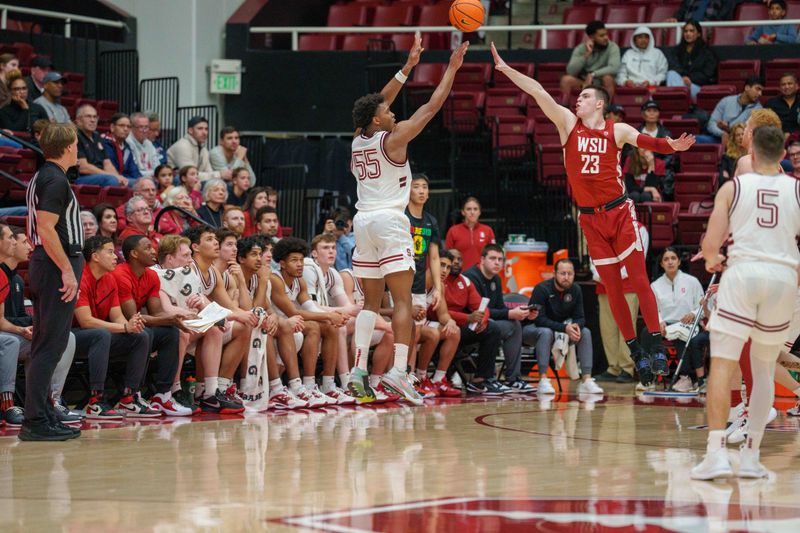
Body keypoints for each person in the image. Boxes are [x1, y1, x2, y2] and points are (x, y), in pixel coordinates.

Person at [492, 43, 696, 386]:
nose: (578, 100)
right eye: (578, 97)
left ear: (599, 103)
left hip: (619, 212)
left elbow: (647, 143)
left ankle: (656, 344)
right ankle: (635, 351)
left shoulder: (615, 130)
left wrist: (670, 146)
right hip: (590, 219)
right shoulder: (567, 124)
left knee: (639, 280)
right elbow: (539, 92)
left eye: (585, 97)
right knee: (613, 289)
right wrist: (506, 69)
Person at [347, 34, 468, 404]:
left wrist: (408, 67)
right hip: (389, 221)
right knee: (402, 301)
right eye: (387, 113)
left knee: (369, 303)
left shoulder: (358, 138)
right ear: (377, 120)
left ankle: (357, 370)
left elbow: (378, 102)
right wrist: (451, 69)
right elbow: (431, 107)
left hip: (363, 222)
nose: (393, 112)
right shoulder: (393, 139)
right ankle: (399, 371)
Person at [691, 125, 800, 480]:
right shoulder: (796, 189)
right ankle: (752, 457)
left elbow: (711, 245)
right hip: (783, 279)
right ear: (783, 155)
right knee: (765, 367)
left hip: (744, 274)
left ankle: (716, 453)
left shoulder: (733, 187)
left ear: (750, 153)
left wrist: (712, 260)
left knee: (722, 364)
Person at [22, 122, 84, 441]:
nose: (78, 147)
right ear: (68, 146)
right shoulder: (55, 179)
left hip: (47, 264)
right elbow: (47, 229)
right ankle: (36, 419)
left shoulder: (43, 176)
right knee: (51, 343)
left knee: (47, 342)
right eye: (75, 142)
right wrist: (67, 270)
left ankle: (42, 413)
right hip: (54, 264)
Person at [73, 236, 171, 419]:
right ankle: (95, 401)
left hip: (100, 336)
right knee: (100, 334)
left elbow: (117, 316)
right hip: (73, 337)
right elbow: (86, 321)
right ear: (95, 256)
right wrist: (124, 327)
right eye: (110, 252)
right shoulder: (81, 278)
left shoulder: (109, 279)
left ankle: (129, 397)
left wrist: (131, 326)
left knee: (142, 335)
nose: (115, 256)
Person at [1, 226, 76, 426]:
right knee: (10, 342)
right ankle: (6, 405)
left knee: (64, 338)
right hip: (7, 335)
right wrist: (23, 328)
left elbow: (14, 316)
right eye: (16, 239)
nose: (26, 245)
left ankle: (50, 400)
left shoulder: (16, 279)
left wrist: (32, 326)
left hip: (11, 331)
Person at [182, 225, 258, 412]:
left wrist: (245, 315)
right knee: (213, 325)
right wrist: (240, 314)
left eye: (216, 239)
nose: (215, 243)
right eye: (209, 239)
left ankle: (217, 389)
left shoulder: (214, 272)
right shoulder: (188, 269)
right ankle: (192, 391)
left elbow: (228, 307)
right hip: (181, 325)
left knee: (241, 326)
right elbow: (207, 308)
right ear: (195, 247)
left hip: (199, 325)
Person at [270, 237, 350, 405]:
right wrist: (329, 315)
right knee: (314, 326)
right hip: (277, 322)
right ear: (282, 264)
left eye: (301, 260)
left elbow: (310, 308)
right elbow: (292, 312)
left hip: (292, 322)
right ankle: (300, 385)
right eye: (294, 260)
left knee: (330, 327)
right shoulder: (275, 279)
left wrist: (333, 317)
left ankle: (326, 385)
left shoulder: (299, 281)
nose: (299, 264)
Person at [112, 235, 186, 416]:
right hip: (118, 328)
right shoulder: (120, 274)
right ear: (134, 254)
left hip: (136, 327)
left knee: (170, 332)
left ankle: (163, 394)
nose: (153, 251)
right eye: (147, 248)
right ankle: (130, 396)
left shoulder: (152, 275)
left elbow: (157, 312)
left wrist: (178, 316)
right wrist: (170, 318)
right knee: (146, 333)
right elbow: (133, 317)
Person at [522, 259, 604, 395]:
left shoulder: (576, 289)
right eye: (562, 273)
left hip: (561, 330)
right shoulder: (541, 289)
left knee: (585, 332)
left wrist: (576, 327)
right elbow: (539, 320)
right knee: (546, 332)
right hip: (533, 330)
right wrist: (564, 328)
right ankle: (543, 380)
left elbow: (581, 317)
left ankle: (587, 380)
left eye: (570, 274)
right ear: (554, 274)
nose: (566, 277)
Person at [464, 244, 538, 392]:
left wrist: (522, 313)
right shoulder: (471, 276)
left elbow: (500, 309)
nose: (497, 262)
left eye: (500, 259)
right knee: (494, 325)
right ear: (482, 260)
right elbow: (478, 310)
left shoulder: (496, 279)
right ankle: (486, 379)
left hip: (487, 323)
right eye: (493, 258)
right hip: (468, 324)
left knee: (514, 325)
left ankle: (513, 379)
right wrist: (509, 313)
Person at [440, 249, 507, 395]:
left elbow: (480, 305)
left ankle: (481, 380)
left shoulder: (465, 281)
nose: (456, 262)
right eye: (453, 259)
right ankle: (438, 378)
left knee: (492, 328)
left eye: (460, 259)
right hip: (441, 324)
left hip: (461, 327)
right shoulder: (439, 279)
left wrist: (481, 320)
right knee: (451, 330)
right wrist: (467, 318)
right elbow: (437, 311)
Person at [591, 222, 649, 385]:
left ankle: (627, 367)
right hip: (604, 285)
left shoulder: (639, 229)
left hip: (627, 285)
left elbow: (638, 258)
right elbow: (593, 255)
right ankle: (613, 367)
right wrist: (600, 275)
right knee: (607, 328)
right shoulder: (598, 227)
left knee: (626, 327)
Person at [650, 247, 706, 392]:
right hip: (666, 324)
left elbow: (702, 307)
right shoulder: (655, 286)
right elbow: (653, 309)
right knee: (646, 332)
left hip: (688, 324)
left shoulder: (692, 282)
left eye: (673, 258)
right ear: (661, 264)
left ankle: (685, 378)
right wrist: (659, 321)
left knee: (682, 336)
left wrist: (693, 314)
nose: (670, 262)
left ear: (679, 261)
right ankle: (650, 377)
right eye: (666, 259)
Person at [561, 20, 620, 105]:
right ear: (592, 37)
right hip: (584, 82)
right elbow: (571, 71)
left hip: (601, 82)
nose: (606, 38)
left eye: (606, 34)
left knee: (608, 78)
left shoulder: (612, 47)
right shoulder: (581, 48)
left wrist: (593, 74)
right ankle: (566, 111)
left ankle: (606, 110)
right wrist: (586, 54)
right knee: (566, 80)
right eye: (601, 36)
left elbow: (614, 67)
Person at [665, 20, 718, 100]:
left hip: (697, 87)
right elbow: (673, 66)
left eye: (691, 31)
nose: (688, 34)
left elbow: (708, 74)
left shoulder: (707, 53)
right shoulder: (676, 50)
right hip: (680, 83)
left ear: (699, 34)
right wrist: (684, 77)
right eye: (686, 31)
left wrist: (690, 78)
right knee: (671, 74)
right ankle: (679, 103)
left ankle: (676, 104)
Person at [74, 104, 126, 186]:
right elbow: (83, 167)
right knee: (112, 180)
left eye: (95, 117)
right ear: (78, 120)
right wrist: (110, 175)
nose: (93, 120)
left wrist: (119, 177)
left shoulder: (97, 136)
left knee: (133, 183)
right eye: (88, 116)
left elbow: (107, 163)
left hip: (102, 176)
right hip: (82, 177)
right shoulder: (75, 136)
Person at [704, 76, 763, 145]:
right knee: (695, 139)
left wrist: (728, 129)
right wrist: (722, 133)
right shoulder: (726, 101)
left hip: (740, 143)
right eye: (757, 89)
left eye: (761, 91)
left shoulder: (759, 110)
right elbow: (711, 123)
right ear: (747, 88)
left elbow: (746, 131)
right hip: (719, 138)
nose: (760, 94)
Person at [444, 196, 496, 271]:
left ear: (479, 212)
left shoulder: (488, 230)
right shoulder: (453, 231)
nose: (472, 212)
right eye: (468, 209)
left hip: (481, 276)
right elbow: (447, 257)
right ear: (463, 212)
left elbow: (493, 255)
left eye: (475, 209)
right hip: (460, 276)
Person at [167, 116, 224, 184]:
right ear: (190, 130)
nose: (204, 132)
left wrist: (216, 176)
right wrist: (219, 174)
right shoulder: (182, 146)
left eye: (206, 129)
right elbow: (190, 176)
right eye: (200, 128)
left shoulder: (203, 149)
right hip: (176, 185)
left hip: (195, 183)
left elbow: (209, 172)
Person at [103, 113, 142, 183]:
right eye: (121, 126)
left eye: (128, 126)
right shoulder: (105, 143)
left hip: (126, 178)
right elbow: (112, 169)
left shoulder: (127, 146)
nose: (126, 129)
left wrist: (141, 180)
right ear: (112, 127)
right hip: (112, 179)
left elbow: (133, 170)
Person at [764, 73, 799, 137]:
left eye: (790, 83)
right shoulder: (771, 103)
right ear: (780, 88)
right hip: (776, 140)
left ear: (797, 86)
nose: (786, 87)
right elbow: (764, 126)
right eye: (783, 84)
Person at [127, 112, 161, 178]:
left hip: (152, 177)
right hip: (137, 178)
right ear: (132, 128)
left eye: (146, 127)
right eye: (141, 127)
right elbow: (135, 170)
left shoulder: (149, 143)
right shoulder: (128, 142)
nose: (144, 130)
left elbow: (157, 166)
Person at [668, 0, 738, 22]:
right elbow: (681, 12)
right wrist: (675, 19)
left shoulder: (726, 1)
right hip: (688, 33)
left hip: (709, 34)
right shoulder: (689, 1)